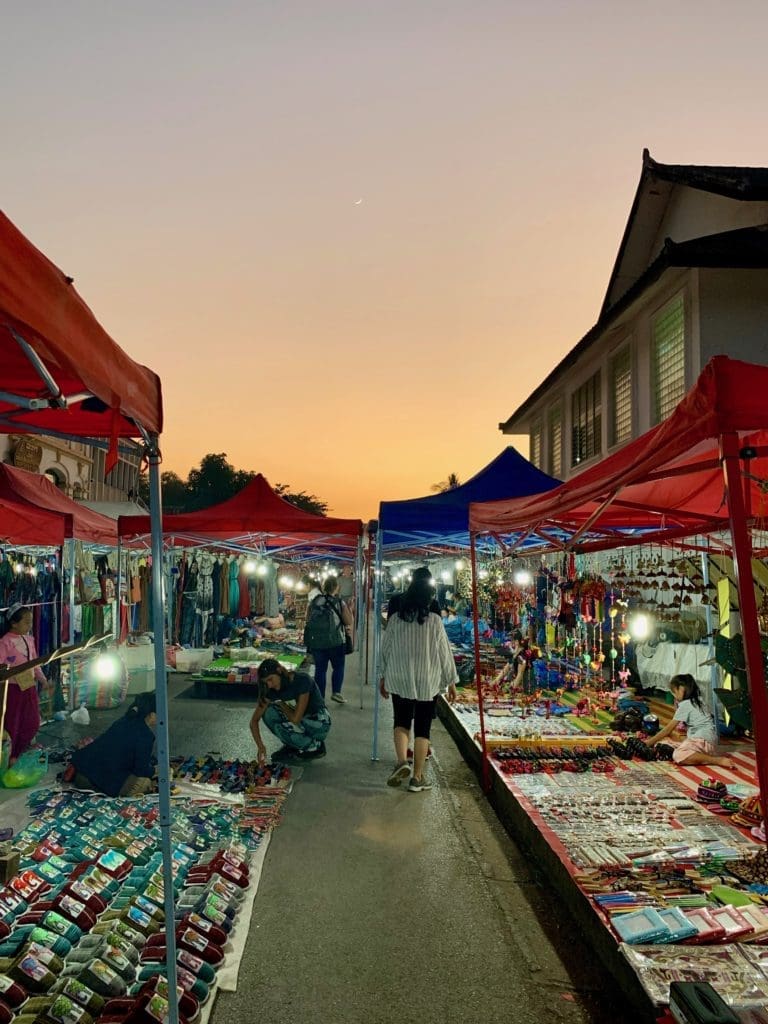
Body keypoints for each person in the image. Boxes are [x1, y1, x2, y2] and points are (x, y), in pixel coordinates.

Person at [379, 576, 458, 792]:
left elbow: (385, 649)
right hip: (428, 680)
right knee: (423, 727)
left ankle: (402, 762)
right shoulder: (434, 620)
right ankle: (417, 777)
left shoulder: (395, 619)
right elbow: (444, 652)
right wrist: (451, 681)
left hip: (399, 676)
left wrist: (382, 676)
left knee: (401, 721)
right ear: (428, 598)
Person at [70, 692, 157, 797]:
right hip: (101, 785)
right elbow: (141, 770)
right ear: (151, 715)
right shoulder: (146, 735)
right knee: (144, 782)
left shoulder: (123, 721)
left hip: (81, 776)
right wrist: (154, 770)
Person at [646, 673, 735, 768]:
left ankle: (716, 760)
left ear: (681, 689)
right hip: (709, 742)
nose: (674, 696)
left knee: (678, 755)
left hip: (703, 741)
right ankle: (698, 755)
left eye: (675, 692)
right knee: (663, 744)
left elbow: (668, 730)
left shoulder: (686, 705)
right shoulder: (699, 700)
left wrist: (648, 742)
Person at [251, 657, 331, 762]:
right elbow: (254, 721)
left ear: (279, 671)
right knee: (268, 713)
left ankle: (315, 747)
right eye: (266, 682)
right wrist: (261, 746)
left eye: (270, 679)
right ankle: (293, 745)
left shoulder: (302, 680)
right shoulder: (272, 690)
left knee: (279, 712)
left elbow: (296, 719)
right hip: (302, 721)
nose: (269, 685)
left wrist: (281, 703)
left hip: (319, 724)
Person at [0, 604, 46, 762]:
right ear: (14, 623)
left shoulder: (29, 640)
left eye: (31, 622)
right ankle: (11, 756)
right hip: (12, 689)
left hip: (29, 687)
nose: (30, 625)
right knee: (12, 722)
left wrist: (43, 681)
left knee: (33, 722)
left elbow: (35, 663)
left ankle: (18, 751)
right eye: (26, 622)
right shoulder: (5, 642)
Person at [306, 577, 353, 704]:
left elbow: (307, 619)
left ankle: (320, 697)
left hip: (317, 642)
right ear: (336, 587)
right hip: (336, 642)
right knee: (338, 666)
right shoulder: (339, 602)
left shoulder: (315, 601)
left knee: (320, 669)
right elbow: (349, 621)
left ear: (324, 586)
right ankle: (336, 692)